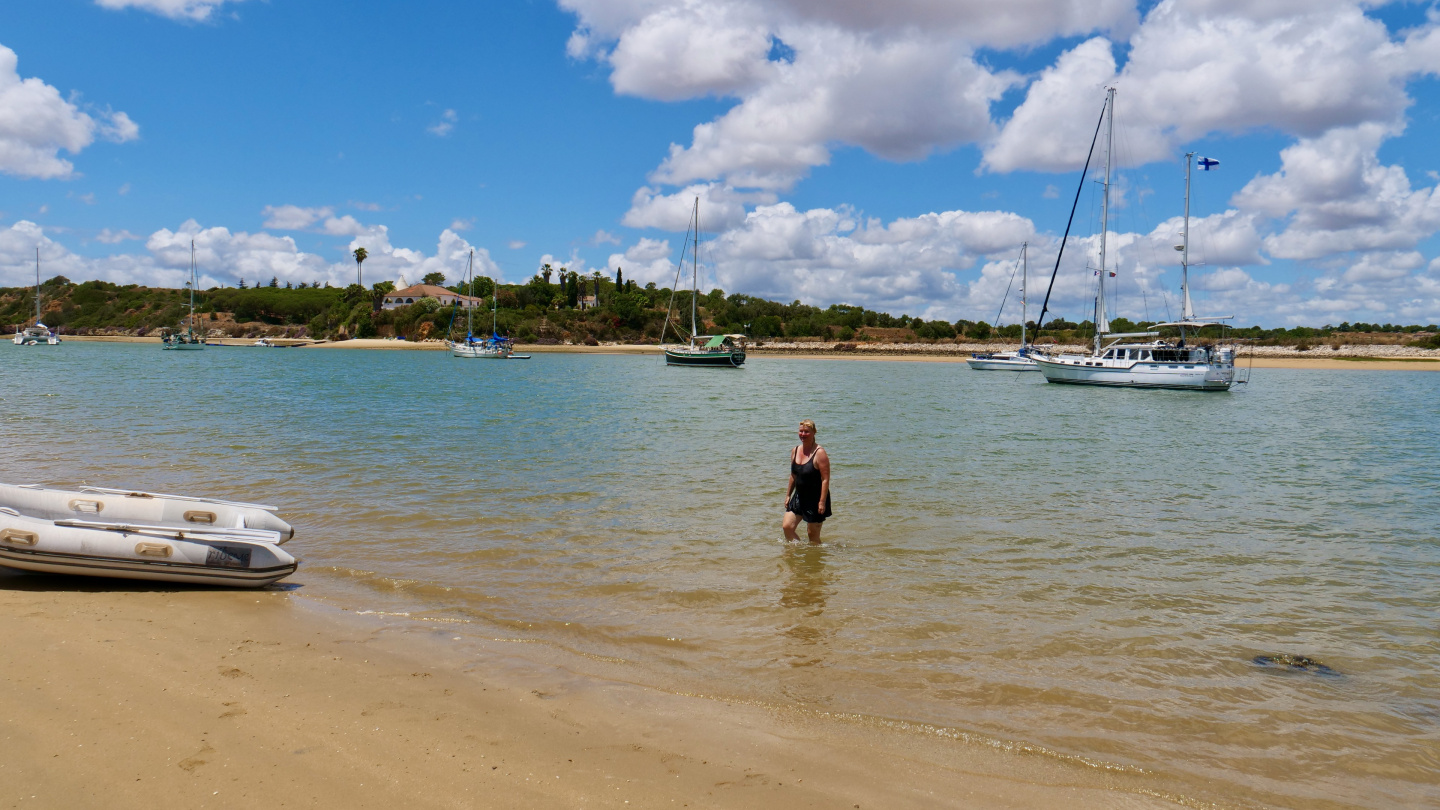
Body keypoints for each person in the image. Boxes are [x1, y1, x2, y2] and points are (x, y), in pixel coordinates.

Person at [783, 419, 832, 543]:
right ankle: (798, 554)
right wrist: (788, 495)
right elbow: (793, 475)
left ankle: (815, 560)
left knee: (812, 536)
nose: (803, 434)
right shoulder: (795, 450)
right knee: (787, 527)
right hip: (799, 496)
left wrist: (822, 502)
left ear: (814, 432)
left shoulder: (819, 453)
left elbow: (825, 479)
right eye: (801, 431)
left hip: (815, 498)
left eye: (806, 432)